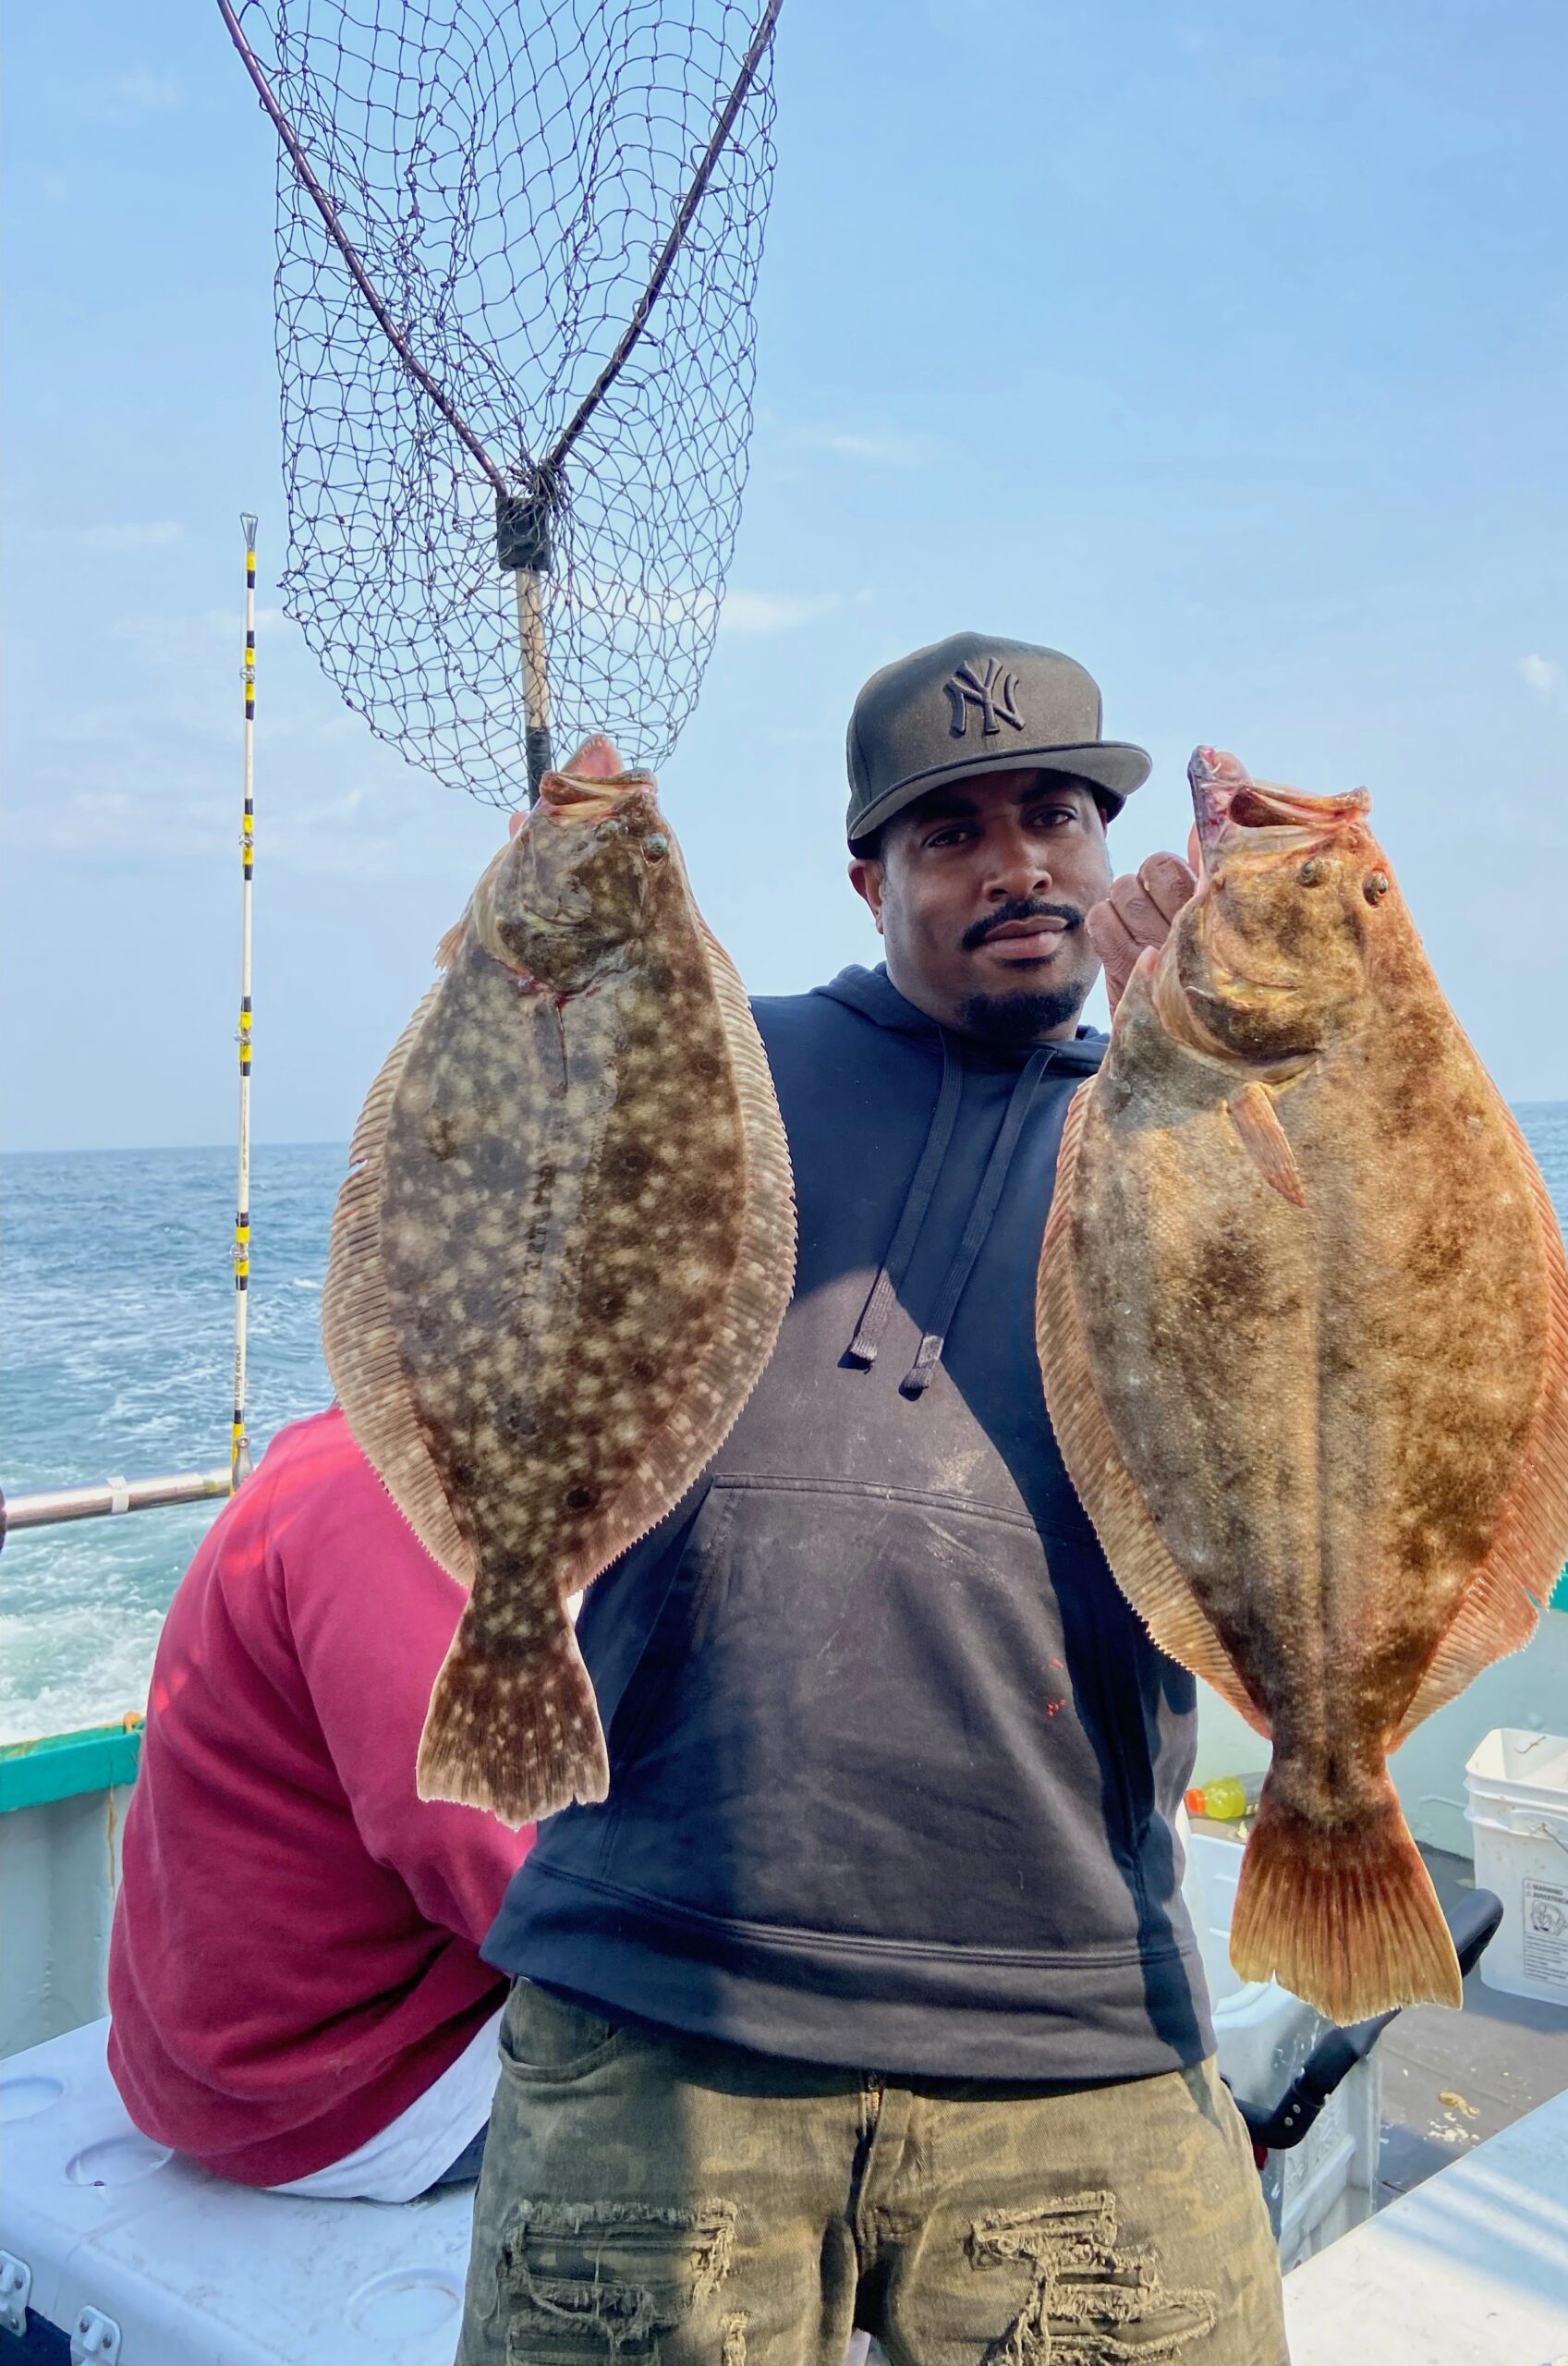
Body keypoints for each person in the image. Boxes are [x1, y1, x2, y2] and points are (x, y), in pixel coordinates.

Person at [456, 628, 1286, 2362]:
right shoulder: (713, 1073)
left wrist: (1208, 1080)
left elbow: (1313, 1403)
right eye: (951, 832)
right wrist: (557, 904)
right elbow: (497, 1198)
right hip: (658, 2004)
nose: (1019, 865)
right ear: (868, 877)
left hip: (1077, 2022)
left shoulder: (1185, 1133)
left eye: (1053, 814)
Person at [107, 1410, 533, 2199]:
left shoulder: (333, 1454)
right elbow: (462, 1828)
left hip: (203, 2062)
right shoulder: (394, 1499)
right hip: (332, 2094)